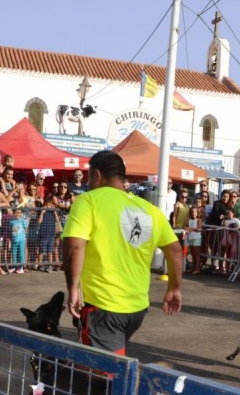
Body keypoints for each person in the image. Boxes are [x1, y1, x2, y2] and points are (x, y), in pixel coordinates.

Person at [62, 150, 183, 356]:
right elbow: (175, 249)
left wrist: (73, 287)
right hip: (137, 308)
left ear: (97, 175)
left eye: (90, 176)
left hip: (103, 306)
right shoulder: (149, 209)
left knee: (102, 377)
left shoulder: (88, 201)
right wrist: (174, 287)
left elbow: (74, 246)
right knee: (100, 370)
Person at [9, 207, 28, 274]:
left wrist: (25, 238)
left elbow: (26, 230)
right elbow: (10, 230)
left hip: (22, 239)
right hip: (14, 239)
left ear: (21, 214)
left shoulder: (23, 221)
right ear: (14, 213)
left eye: (19, 213)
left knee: (21, 253)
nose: (17, 214)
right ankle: (14, 266)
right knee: (14, 253)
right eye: (16, 212)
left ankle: (21, 267)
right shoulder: (11, 221)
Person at [185, 206, 203, 274]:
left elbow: (199, 229)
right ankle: (193, 267)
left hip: (197, 238)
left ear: (197, 213)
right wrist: (188, 228)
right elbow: (185, 226)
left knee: (196, 254)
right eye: (192, 212)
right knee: (192, 254)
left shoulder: (199, 220)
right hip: (191, 238)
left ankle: (197, 269)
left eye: (195, 212)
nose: (193, 213)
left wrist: (190, 229)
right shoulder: (189, 220)